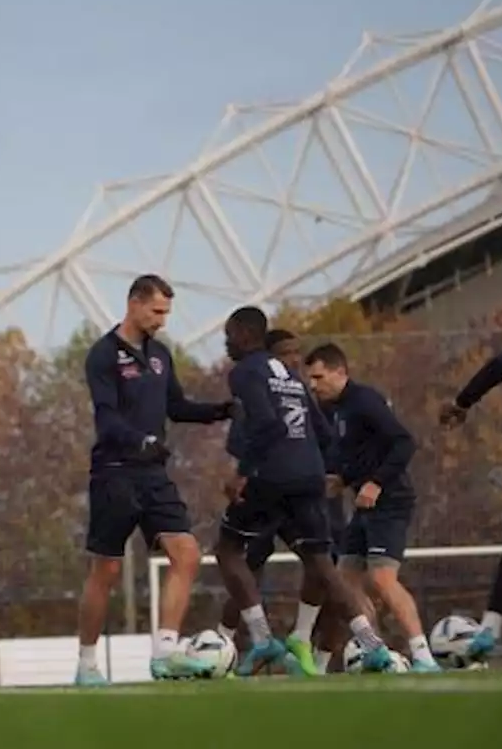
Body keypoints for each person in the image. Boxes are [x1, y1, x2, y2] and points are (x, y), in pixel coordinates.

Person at [75, 274, 238, 685]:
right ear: (133, 303)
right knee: (106, 571)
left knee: (186, 554)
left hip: (153, 475)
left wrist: (222, 411)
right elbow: (107, 418)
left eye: (166, 312)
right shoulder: (103, 355)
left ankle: (164, 653)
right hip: (114, 474)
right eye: (157, 311)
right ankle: (87, 664)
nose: (162, 320)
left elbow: (178, 407)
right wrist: (140, 440)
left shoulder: (161, 354)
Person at [216, 308, 394, 676]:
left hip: (272, 477)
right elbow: (325, 434)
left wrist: (243, 473)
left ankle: (262, 638)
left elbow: (265, 424)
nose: (226, 343)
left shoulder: (246, 372)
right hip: (309, 478)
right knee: (321, 564)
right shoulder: (294, 380)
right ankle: (372, 645)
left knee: (229, 550)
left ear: (244, 334)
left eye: (229, 335)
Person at [215, 327, 348, 674]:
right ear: (270, 355)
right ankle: (223, 644)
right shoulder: (268, 389)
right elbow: (240, 441)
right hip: (269, 488)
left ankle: (304, 644)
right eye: (287, 353)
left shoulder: (301, 390)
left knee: (323, 565)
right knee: (249, 565)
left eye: (297, 353)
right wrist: (252, 465)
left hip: (295, 489)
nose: (295, 361)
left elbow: (326, 438)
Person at [305, 342, 441, 671]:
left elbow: (403, 442)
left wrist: (376, 482)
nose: (313, 385)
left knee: (381, 579)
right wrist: (341, 478)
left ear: (340, 372)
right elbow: (353, 452)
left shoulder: (365, 401)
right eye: (309, 378)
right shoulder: (328, 410)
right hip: (365, 506)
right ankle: (372, 649)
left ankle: (423, 656)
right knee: (344, 581)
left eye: (319, 377)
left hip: (391, 500)